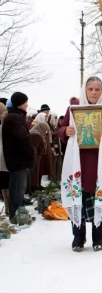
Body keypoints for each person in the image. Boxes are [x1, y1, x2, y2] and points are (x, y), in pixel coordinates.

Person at [58, 76, 102, 251]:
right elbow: (61, 129)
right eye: (90, 89)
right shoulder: (74, 110)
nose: (94, 92)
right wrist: (67, 130)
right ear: (85, 90)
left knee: (99, 198)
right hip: (78, 162)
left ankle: (98, 237)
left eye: (97, 89)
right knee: (77, 198)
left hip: (100, 163)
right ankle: (78, 237)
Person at [2, 92, 35, 223]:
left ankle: (17, 214)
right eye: (25, 102)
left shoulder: (15, 116)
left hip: (17, 159)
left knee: (18, 188)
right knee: (17, 188)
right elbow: (23, 139)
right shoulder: (14, 118)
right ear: (20, 103)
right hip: (18, 159)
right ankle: (15, 216)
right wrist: (30, 153)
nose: (27, 105)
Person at [30, 122, 51, 193]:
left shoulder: (39, 133)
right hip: (35, 157)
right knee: (34, 174)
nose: (46, 131)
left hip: (38, 157)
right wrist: (35, 158)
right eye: (45, 129)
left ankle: (36, 185)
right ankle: (33, 188)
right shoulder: (35, 134)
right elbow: (34, 148)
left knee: (37, 172)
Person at [0, 102, 9, 214]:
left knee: (5, 183)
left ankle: (7, 207)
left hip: (4, 159)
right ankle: (7, 207)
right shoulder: (3, 127)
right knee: (5, 183)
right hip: (3, 158)